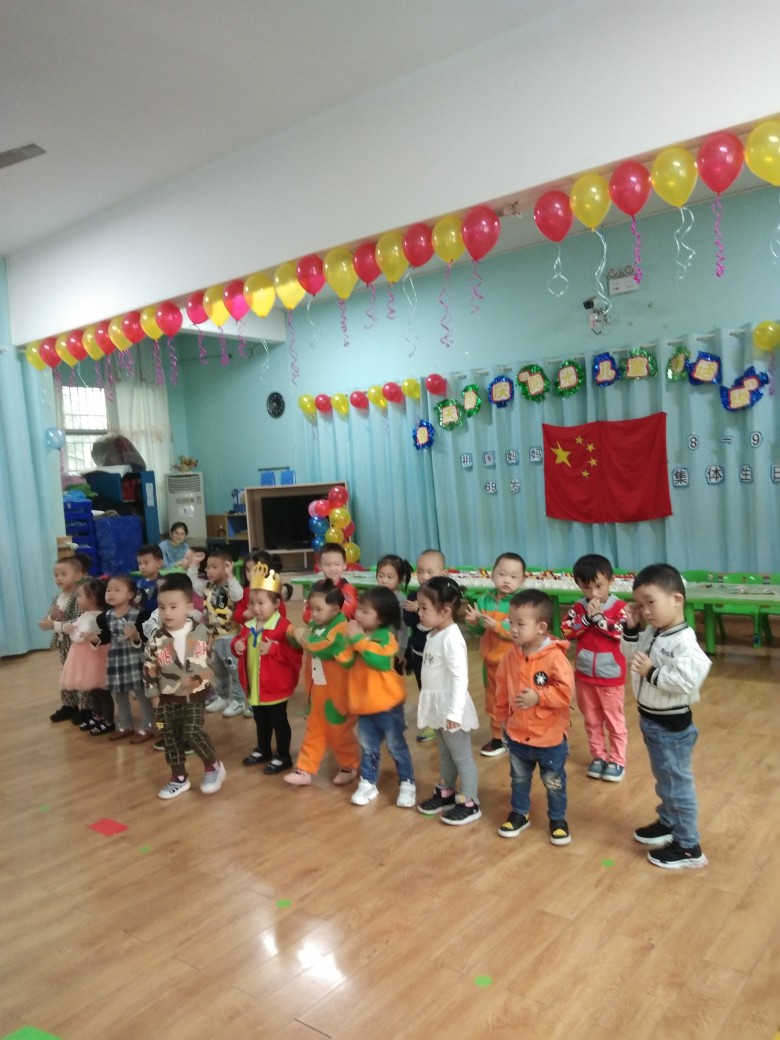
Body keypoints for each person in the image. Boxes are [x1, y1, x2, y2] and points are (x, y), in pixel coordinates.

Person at [622, 564, 711, 870]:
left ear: (676, 599)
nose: (645, 610)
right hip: (652, 721)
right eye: (640, 604)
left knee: (677, 785)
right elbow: (631, 658)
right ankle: (669, 821)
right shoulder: (652, 631)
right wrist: (631, 630)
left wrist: (653, 673)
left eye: (651, 602)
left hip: (671, 728)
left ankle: (688, 845)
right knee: (666, 780)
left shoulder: (684, 641)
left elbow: (689, 680)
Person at [495, 589, 575, 846]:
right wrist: (501, 718)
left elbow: (565, 692)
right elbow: (501, 689)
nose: (513, 629)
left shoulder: (555, 657)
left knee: (553, 782)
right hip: (517, 735)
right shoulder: (510, 657)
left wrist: (539, 697)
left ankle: (558, 819)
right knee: (519, 779)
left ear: (541, 627)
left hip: (550, 739)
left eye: (520, 624)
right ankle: (520, 813)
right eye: (511, 622)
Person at [143, 575, 227, 800]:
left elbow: (207, 661)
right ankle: (179, 778)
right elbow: (150, 669)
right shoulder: (156, 640)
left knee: (191, 732)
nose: (167, 613)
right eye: (162, 607)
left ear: (188, 608)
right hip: (165, 700)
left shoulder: (200, 633)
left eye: (173, 607)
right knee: (169, 735)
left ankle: (213, 766)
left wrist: (201, 681)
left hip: (194, 696)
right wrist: (154, 697)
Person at [341, 587, 416, 808]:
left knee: (396, 746)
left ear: (381, 618)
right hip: (364, 706)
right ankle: (368, 782)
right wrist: (346, 641)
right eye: (359, 609)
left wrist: (357, 640)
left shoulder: (386, 638)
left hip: (387, 705)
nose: (358, 614)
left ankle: (407, 783)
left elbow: (378, 661)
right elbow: (345, 660)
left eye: (365, 611)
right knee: (368, 746)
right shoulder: (359, 635)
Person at [415, 577, 481, 825]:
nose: (419, 612)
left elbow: (459, 677)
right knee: (445, 754)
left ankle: (470, 802)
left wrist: (454, 712)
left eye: (424, 608)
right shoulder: (435, 632)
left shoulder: (452, 637)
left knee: (461, 757)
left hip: (452, 708)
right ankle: (447, 792)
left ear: (445, 612)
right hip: (439, 706)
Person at [285, 580, 359, 787]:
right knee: (314, 729)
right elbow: (299, 640)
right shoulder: (315, 626)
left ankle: (349, 765)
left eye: (319, 609)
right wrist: (294, 634)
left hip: (338, 695)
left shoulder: (342, 628)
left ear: (335, 609)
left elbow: (323, 648)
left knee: (339, 732)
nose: (313, 613)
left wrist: (301, 635)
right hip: (317, 691)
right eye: (311, 608)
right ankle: (305, 768)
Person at [561, 554, 628, 782]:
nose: (593, 593)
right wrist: (586, 620)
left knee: (614, 721)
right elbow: (567, 631)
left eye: (599, 586)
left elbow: (621, 632)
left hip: (611, 677)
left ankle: (617, 760)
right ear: (579, 585)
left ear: (611, 581)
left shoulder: (620, 607)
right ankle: (598, 756)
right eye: (586, 587)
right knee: (591, 720)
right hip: (584, 676)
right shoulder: (578, 607)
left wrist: (598, 618)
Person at [231, 566, 302, 775]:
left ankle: (284, 755)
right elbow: (239, 640)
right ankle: (263, 749)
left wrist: (275, 649)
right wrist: (236, 646)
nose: (255, 608)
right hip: (255, 685)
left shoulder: (283, 627)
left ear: (277, 603)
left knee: (278, 721)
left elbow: (295, 652)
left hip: (275, 686)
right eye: (252, 603)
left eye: (261, 603)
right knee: (260, 720)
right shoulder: (249, 625)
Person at [464, 552, 526, 756]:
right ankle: (498, 738)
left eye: (514, 576)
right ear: (492, 575)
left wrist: (498, 626)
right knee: (493, 700)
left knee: (515, 698)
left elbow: (521, 632)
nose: (507, 580)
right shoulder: (484, 600)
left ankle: (519, 735)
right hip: (489, 661)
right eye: (502, 574)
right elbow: (478, 631)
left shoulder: (521, 603)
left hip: (513, 662)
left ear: (522, 580)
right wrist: (473, 623)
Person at [96, 576, 155, 743]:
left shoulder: (141, 615)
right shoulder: (104, 617)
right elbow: (105, 638)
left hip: (136, 660)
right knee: (119, 694)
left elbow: (148, 638)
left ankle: (147, 726)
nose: (111, 593)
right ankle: (125, 724)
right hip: (116, 660)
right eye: (108, 590)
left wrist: (135, 636)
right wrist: (94, 639)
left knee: (142, 694)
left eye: (117, 590)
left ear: (130, 594)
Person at [189, 549, 246, 717]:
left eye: (214, 567)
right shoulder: (208, 587)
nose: (209, 571)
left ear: (226, 567)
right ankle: (223, 696)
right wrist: (194, 564)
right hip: (214, 637)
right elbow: (192, 581)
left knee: (234, 670)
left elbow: (239, 595)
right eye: (208, 567)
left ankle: (240, 700)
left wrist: (230, 576)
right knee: (219, 671)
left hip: (231, 636)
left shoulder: (231, 587)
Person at [402, 548, 447, 743]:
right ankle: (431, 722)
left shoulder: (444, 596)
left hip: (440, 654)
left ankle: (446, 718)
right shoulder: (414, 594)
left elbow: (445, 619)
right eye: (420, 571)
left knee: (441, 686)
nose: (424, 576)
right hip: (420, 652)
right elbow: (408, 620)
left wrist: (421, 607)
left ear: (442, 573)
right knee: (424, 687)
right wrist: (415, 609)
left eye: (430, 572)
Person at [60, 577, 114, 735]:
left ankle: (108, 721)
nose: (77, 599)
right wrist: (71, 628)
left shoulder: (95, 618)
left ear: (91, 599)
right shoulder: (87, 615)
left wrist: (72, 631)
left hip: (95, 660)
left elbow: (79, 637)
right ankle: (98, 716)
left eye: (79, 596)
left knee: (101, 691)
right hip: (87, 659)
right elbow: (77, 629)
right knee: (93, 690)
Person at [39, 555, 85, 723]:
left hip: (77, 644)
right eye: (56, 575)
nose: (58, 578)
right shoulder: (58, 598)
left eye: (63, 574)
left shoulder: (80, 597)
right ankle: (69, 704)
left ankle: (86, 708)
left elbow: (79, 623)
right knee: (66, 673)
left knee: (80, 674)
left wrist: (54, 624)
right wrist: (50, 618)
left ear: (78, 575)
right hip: (63, 643)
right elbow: (53, 616)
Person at [375, 553, 413, 669]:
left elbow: (403, 628)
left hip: (392, 645)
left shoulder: (401, 600)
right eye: (381, 576)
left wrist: (401, 650)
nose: (384, 580)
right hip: (375, 641)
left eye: (389, 577)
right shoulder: (374, 595)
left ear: (400, 579)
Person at [303, 543, 358, 622]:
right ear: (319, 566)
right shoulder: (317, 588)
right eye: (327, 565)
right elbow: (308, 611)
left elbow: (350, 611)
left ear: (344, 565)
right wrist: (310, 620)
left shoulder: (349, 589)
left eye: (337, 564)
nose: (332, 568)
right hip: (320, 626)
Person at [136, 543, 164, 614]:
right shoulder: (139, 583)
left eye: (146, 563)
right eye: (140, 563)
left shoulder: (162, 584)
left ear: (159, 563)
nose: (142, 567)